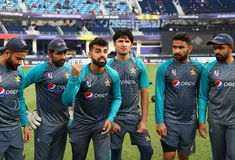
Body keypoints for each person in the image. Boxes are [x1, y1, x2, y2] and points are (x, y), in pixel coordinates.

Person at [62, 37, 122, 160]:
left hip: (101, 124)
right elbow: (67, 101)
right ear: (89, 53)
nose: (102, 55)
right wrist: (73, 78)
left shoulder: (113, 74)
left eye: (105, 51)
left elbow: (117, 98)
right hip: (80, 125)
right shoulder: (81, 73)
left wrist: (110, 118)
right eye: (97, 51)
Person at [155, 32, 203, 160]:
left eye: (181, 47)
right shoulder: (164, 68)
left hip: (190, 121)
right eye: (174, 47)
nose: (176, 50)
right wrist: (159, 121)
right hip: (170, 120)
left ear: (189, 48)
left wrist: (201, 119)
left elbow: (202, 96)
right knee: (169, 156)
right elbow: (159, 95)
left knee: (184, 156)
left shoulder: (198, 68)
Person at [107, 29, 153, 160]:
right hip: (115, 118)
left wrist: (143, 121)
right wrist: (109, 120)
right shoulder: (108, 66)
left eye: (127, 41)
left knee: (147, 150)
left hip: (134, 117)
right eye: (120, 41)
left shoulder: (139, 64)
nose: (124, 44)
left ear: (131, 45)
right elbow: (103, 95)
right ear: (114, 44)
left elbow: (144, 92)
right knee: (114, 154)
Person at [24, 38, 71, 160]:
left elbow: (77, 92)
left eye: (64, 53)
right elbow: (16, 88)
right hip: (44, 125)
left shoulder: (69, 70)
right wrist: (26, 112)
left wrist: (74, 108)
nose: (63, 56)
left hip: (63, 124)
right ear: (50, 53)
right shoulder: (39, 70)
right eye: (59, 53)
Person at [198, 33, 235, 160]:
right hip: (216, 121)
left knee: (232, 155)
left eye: (220, 48)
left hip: (233, 121)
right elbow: (202, 96)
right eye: (215, 48)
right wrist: (201, 120)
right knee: (218, 157)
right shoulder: (208, 69)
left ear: (231, 48)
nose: (216, 51)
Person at [0, 37, 31, 160]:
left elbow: (20, 98)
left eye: (22, 59)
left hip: (15, 130)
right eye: (18, 58)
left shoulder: (19, 73)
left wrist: (25, 124)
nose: (20, 63)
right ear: (7, 53)